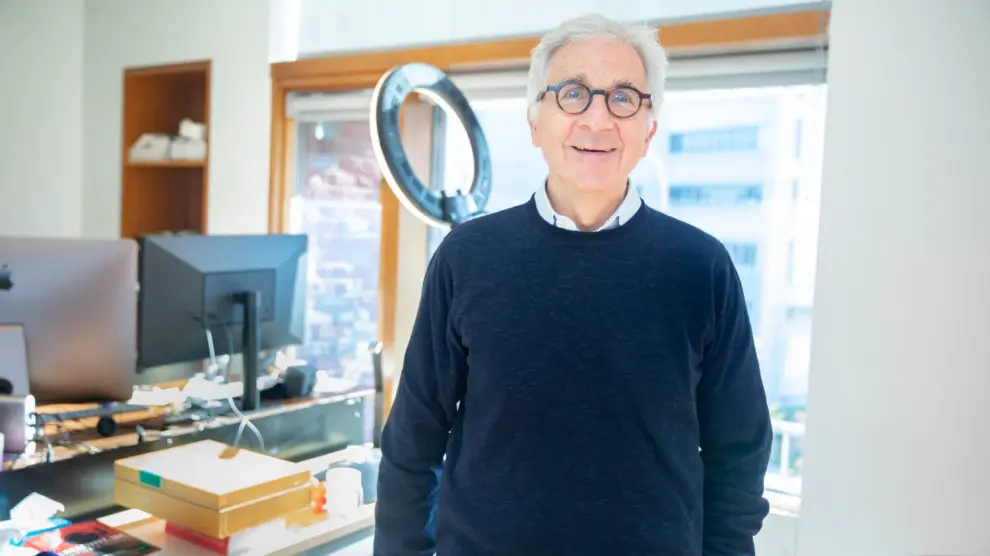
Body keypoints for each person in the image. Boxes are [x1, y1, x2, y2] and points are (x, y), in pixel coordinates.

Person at [374, 13, 772, 556]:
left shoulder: (702, 267)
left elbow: (739, 453)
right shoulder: (466, 257)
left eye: (624, 98)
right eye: (573, 94)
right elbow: (412, 443)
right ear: (535, 123)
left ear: (649, 130)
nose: (598, 119)